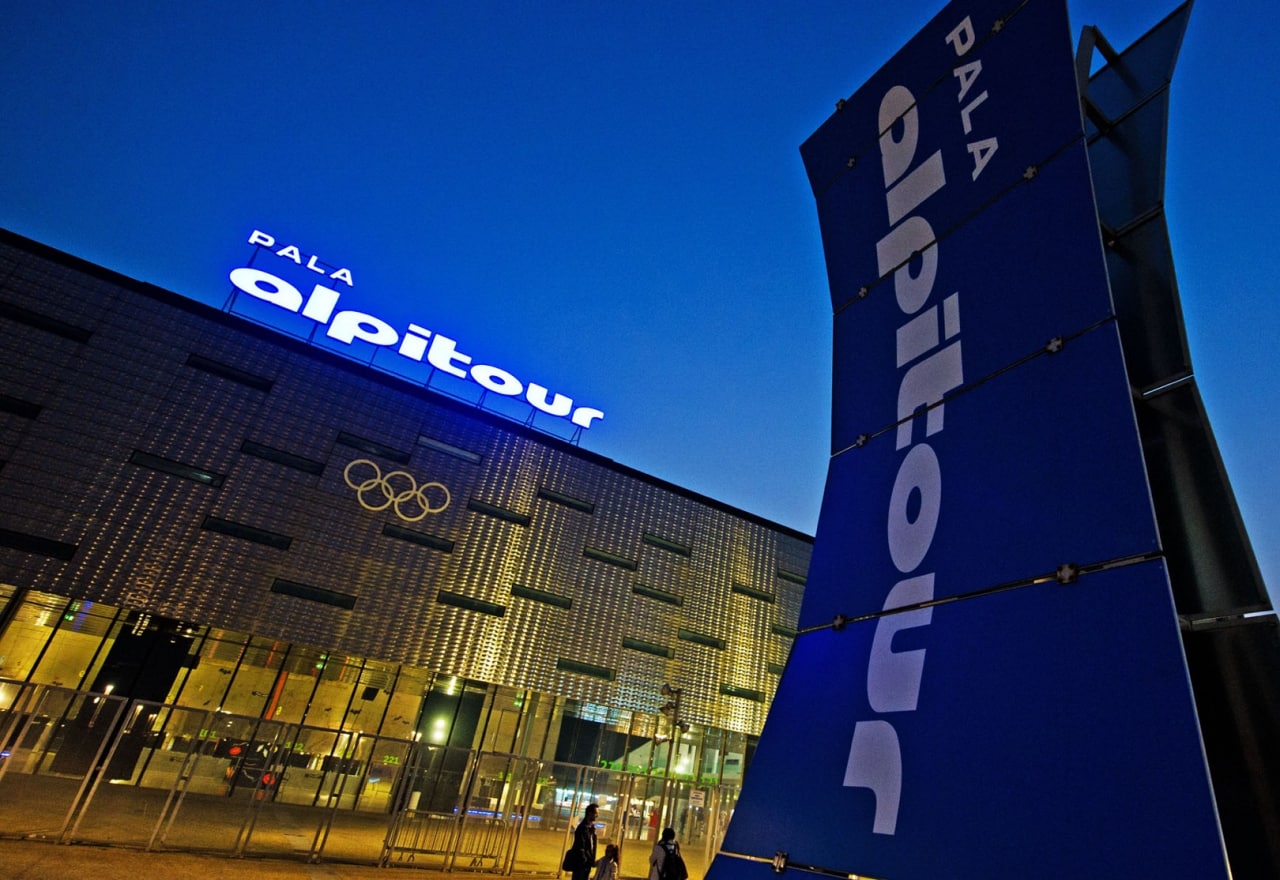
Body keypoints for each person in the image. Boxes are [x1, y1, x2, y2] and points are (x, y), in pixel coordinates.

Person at [572, 803, 599, 880]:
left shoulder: (591, 828)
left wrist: (591, 860)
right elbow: (580, 846)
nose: (597, 816)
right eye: (596, 813)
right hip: (581, 864)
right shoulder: (582, 828)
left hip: (587, 863)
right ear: (590, 813)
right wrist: (585, 860)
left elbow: (592, 846)